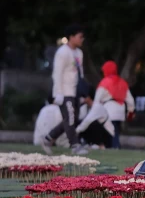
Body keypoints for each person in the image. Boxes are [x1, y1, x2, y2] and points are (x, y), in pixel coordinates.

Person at [41, 24, 88, 155]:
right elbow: (57, 73)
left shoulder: (79, 53)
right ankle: (75, 145)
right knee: (71, 119)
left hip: (75, 92)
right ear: (71, 37)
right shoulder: (62, 52)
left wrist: (82, 92)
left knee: (71, 119)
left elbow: (81, 73)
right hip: (65, 92)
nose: (82, 39)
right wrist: (58, 93)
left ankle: (48, 138)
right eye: (80, 37)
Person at [95, 61, 135, 149]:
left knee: (110, 132)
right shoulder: (123, 82)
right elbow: (130, 101)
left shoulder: (104, 82)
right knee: (115, 131)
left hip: (108, 110)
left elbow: (97, 100)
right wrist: (130, 112)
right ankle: (115, 146)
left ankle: (114, 147)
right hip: (120, 112)